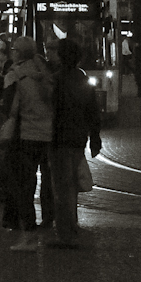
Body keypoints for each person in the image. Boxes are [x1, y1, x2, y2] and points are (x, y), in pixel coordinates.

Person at [0, 36, 55, 251]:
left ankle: (28, 234)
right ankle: (51, 223)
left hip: (27, 135)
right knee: (49, 183)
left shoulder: (16, 75)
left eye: (14, 50)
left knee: (23, 185)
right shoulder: (46, 73)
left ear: (18, 53)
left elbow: (9, 108)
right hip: (48, 134)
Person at [48, 39, 102, 248]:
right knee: (71, 186)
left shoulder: (56, 80)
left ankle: (66, 234)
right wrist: (95, 138)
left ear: (61, 57)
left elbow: (51, 110)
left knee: (62, 188)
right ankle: (71, 226)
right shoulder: (83, 78)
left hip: (59, 138)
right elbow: (93, 112)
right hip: (78, 138)